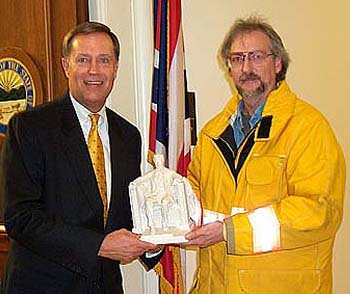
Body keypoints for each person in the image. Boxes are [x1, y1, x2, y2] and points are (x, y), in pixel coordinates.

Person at [184, 16, 345, 294]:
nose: (246, 68)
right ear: (229, 68)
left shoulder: (308, 128)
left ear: (278, 63)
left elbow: (318, 211)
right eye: (237, 58)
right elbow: (195, 192)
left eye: (256, 56)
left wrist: (231, 231)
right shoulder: (213, 133)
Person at [0, 22, 161, 294]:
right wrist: (99, 245)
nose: (94, 71)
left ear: (115, 68)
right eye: (83, 60)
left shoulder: (128, 136)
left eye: (104, 60)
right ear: (66, 66)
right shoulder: (29, 127)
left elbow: (123, 214)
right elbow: (20, 217)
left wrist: (157, 237)